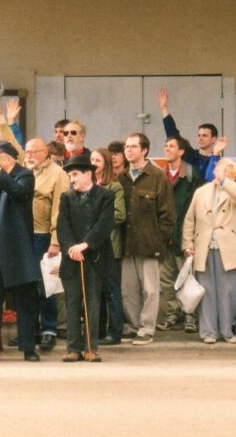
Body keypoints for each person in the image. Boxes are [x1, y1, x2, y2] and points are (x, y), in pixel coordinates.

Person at [0, 141, 41, 361]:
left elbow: (19, 192)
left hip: (18, 248)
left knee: (24, 299)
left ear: (9, 159)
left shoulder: (24, 176)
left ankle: (28, 347)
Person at [181, 158, 236, 344]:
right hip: (204, 246)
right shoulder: (201, 191)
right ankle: (208, 332)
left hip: (228, 247)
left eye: (227, 171)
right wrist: (187, 243)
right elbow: (189, 219)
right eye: (219, 169)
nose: (221, 173)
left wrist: (226, 182)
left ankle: (227, 331)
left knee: (229, 291)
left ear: (234, 176)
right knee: (206, 291)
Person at [57, 153, 115, 362]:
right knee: (72, 301)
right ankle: (72, 348)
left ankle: (91, 347)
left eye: (75, 175)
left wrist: (86, 244)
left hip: (95, 256)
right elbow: (62, 225)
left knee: (92, 302)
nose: (72, 179)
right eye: (70, 176)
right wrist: (71, 247)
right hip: (72, 257)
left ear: (88, 174)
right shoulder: (66, 197)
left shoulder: (105, 195)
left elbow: (105, 223)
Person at [119, 133, 175, 346]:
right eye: (127, 146)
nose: (128, 150)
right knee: (128, 289)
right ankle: (134, 326)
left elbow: (168, 215)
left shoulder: (157, 176)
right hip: (127, 243)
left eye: (133, 146)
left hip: (150, 244)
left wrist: (159, 239)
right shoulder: (122, 177)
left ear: (144, 150)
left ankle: (147, 329)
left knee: (151, 289)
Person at [23, 137, 69, 351]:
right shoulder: (25, 170)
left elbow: (59, 210)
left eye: (34, 151)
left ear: (45, 153)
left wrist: (55, 241)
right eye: (27, 151)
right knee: (27, 285)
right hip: (24, 236)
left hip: (44, 237)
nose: (29, 155)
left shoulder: (57, 174)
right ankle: (30, 328)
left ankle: (49, 328)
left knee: (45, 286)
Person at [157, 135, 203, 334]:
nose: (167, 149)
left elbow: (198, 210)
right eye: (165, 145)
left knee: (188, 279)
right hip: (164, 237)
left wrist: (190, 238)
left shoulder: (193, 175)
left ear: (181, 151)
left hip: (184, 237)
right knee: (166, 279)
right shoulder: (159, 175)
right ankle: (172, 314)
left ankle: (190, 316)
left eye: (171, 146)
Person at [90, 148, 126, 345]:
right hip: (93, 246)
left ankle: (115, 331)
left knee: (112, 290)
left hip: (110, 244)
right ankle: (100, 330)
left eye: (98, 160)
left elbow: (119, 215)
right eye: (92, 160)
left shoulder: (114, 187)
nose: (94, 163)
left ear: (105, 163)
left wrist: (96, 224)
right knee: (98, 291)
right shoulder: (89, 185)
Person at [157, 87, 219, 174]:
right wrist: (164, 108)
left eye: (205, 136)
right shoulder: (190, 154)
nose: (200, 138)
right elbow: (173, 134)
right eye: (199, 135)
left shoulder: (218, 160)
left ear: (213, 139)